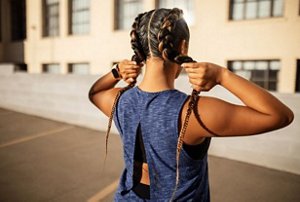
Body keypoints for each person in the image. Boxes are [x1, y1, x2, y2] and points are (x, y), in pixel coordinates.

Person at [88, 8, 294, 202]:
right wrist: (222, 75)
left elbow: (95, 93)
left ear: (140, 49)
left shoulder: (120, 100)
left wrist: (116, 71)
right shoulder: (192, 112)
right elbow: (280, 116)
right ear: (183, 47)